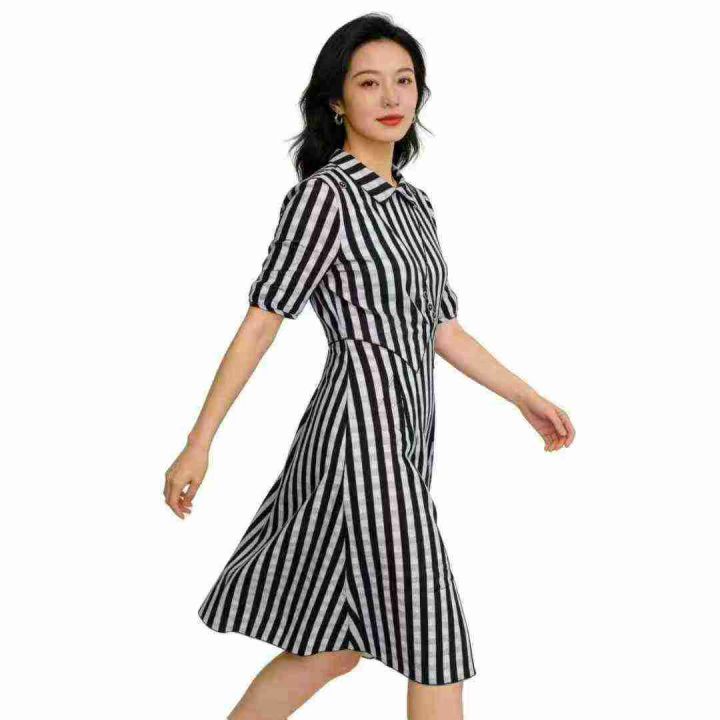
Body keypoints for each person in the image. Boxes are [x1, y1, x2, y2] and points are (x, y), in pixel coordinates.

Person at [163, 13, 575, 720]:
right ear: (336, 100)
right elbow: (263, 321)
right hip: (361, 436)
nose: (390, 97)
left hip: (408, 438)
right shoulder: (325, 197)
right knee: (437, 640)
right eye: (368, 83)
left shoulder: (415, 205)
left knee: (332, 647)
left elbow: (440, 326)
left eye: (404, 81)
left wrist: (523, 396)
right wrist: (199, 442)